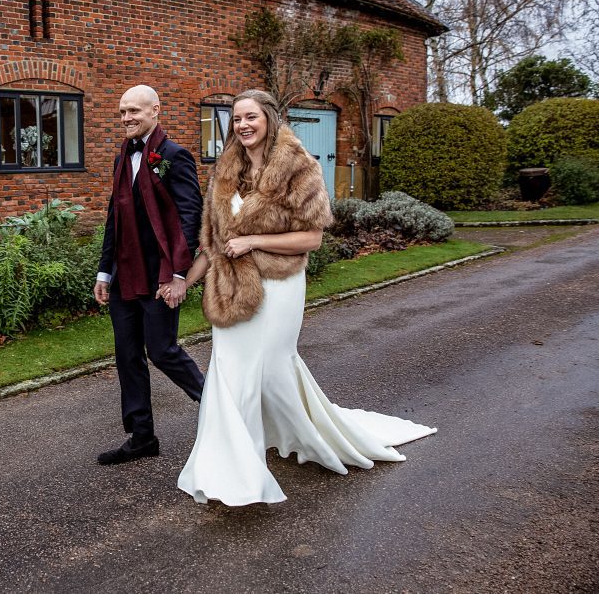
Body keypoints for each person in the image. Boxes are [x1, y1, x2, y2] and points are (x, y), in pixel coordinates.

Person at [174, 89, 437, 505]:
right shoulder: (225, 171)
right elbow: (213, 242)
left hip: (278, 287)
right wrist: (183, 283)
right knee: (228, 372)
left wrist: (253, 240)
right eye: (236, 119)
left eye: (251, 117)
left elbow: (312, 237)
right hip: (232, 288)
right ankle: (230, 469)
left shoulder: (299, 166)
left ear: (270, 118)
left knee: (272, 370)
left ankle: (290, 442)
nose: (242, 125)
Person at [94, 84, 205, 465]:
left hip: (159, 274)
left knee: (162, 350)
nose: (126, 118)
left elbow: (191, 217)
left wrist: (178, 274)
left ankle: (218, 410)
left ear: (156, 110)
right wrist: (104, 272)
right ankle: (141, 437)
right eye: (122, 111)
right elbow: (115, 217)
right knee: (127, 355)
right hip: (124, 275)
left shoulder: (175, 156)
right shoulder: (122, 156)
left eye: (134, 111)